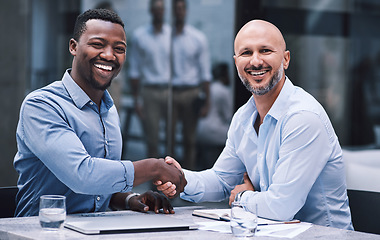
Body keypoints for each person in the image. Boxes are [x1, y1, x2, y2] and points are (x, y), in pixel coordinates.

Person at [156, 20, 353, 230]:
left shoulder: (302, 118)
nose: (256, 61)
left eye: (265, 50)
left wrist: (242, 196)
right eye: (246, 53)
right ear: (236, 62)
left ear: (286, 59)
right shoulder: (244, 117)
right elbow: (222, 180)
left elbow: (281, 207)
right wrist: (181, 179)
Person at [13, 8, 186, 217]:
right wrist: (154, 167)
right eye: (97, 44)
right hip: (40, 232)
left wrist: (132, 199)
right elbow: (82, 175)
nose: (109, 55)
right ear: (73, 47)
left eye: (119, 48)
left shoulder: (108, 110)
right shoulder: (42, 106)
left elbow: (99, 189)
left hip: (95, 230)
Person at [170, 0, 212, 169]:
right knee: (169, 139)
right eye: (176, 9)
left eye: (181, 8)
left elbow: (205, 71)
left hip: (191, 92)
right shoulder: (166, 38)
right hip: (171, 92)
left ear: (186, 11)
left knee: (189, 139)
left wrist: (207, 101)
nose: (179, 12)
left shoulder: (197, 38)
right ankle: (167, 181)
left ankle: (186, 180)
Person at [128, 0, 171, 159]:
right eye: (156, 8)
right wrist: (136, 99)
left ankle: (172, 179)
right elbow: (134, 69)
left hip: (169, 90)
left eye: (161, 8)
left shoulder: (171, 34)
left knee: (170, 139)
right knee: (152, 139)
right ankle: (155, 181)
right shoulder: (140, 36)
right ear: (151, 11)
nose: (159, 11)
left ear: (164, 11)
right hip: (150, 92)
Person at [196, 62, 232, 170]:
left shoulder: (208, 89)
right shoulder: (224, 91)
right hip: (215, 133)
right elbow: (228, 116)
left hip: (200, 130)